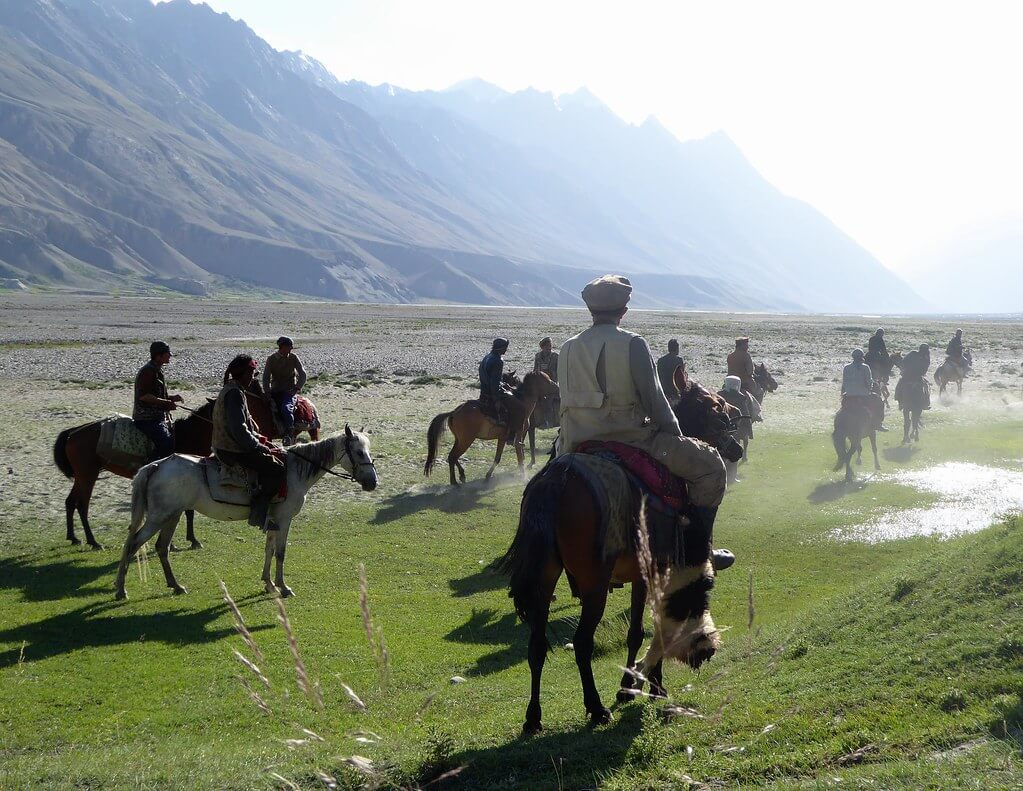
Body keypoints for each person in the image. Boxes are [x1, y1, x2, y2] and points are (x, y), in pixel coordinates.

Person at [557, 275, 733, 570]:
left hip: (573, 441)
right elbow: (655, 399)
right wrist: (675, 433)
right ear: (623, 310)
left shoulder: (567, 347)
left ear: (591, 309)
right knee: (711, 467)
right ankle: (698, 551)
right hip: (632, 439)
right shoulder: (632, 344)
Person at [214, 354, 286, 531]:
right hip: (232, 449)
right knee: (277, 468)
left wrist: (263, 441)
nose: (253, 378)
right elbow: (239, 430)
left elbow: (246, 427)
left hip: (231, 445)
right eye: (252, 374)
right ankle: (258, 514)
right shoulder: (234, 394)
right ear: (245, 374)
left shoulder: (234, 390)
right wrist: (258, 446)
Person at [132, 341, 183, 461]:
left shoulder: (156, 370)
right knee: (167, 444)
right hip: (147, 419)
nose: (170, 356)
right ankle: (149, 470)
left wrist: (171, 398)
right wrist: (166, 403)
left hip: (156, 418)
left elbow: (156, 395)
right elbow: (144, 396)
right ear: (158, 356)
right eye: (167, 354)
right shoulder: (148, 372)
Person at [263, 336, 307, 446]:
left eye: (291, 347)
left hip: (288, 392)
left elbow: (303, 374)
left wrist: (296, 388)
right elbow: (266, 377)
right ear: (282, 347)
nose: (291, 349)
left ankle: (289, 433)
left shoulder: (293, 358)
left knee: (286, 409)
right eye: (289, 347)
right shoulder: (271, 359)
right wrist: (267, 392)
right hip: (274, 391)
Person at [479, 338, 515, 438]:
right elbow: (494, 384)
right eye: (505, 348)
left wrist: (503, 383)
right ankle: (510, 436)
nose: (506, 350)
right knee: (516, 406)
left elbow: (492, 379)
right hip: (492, 394)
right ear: (501, 348)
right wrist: (496, 399)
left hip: (484, 392)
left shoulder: (487, 356)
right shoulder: (498, 361)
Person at [841, 349, 885, 429]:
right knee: (879, 402)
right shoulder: (865, 367)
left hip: (849, 395)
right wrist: (871, 387)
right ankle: (878, 423)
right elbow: (869, 382)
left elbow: (844, 382)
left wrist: (844, 392)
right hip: (863, 394)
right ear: (862, 357)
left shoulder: (846, 367)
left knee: (843, 408)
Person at [533, 337, 560, 428]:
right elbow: (535, 370)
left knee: (548, 401)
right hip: (540, 384)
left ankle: (549, 422)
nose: (549, 348)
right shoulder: (538, 356)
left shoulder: (555, 356)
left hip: (551, 384)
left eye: (550, 346)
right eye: (547, 346)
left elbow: (560, 371)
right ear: (542, 347)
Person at [895, 343, 932, 410]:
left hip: (908, 375)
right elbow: (925, 368)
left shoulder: (913, 354)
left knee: (900, 385)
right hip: (917, 377)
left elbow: (904, 362)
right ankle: (925, 404)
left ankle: (899, 400)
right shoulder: (926, 357)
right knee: (926, 387)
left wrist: (905, 369)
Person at [656, 339, 685, 407]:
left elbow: (658, 376)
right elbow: (681, 379)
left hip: (664, 392)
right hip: (675, 393)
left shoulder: (661, 361)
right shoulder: (679, 361)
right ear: (677, 348)